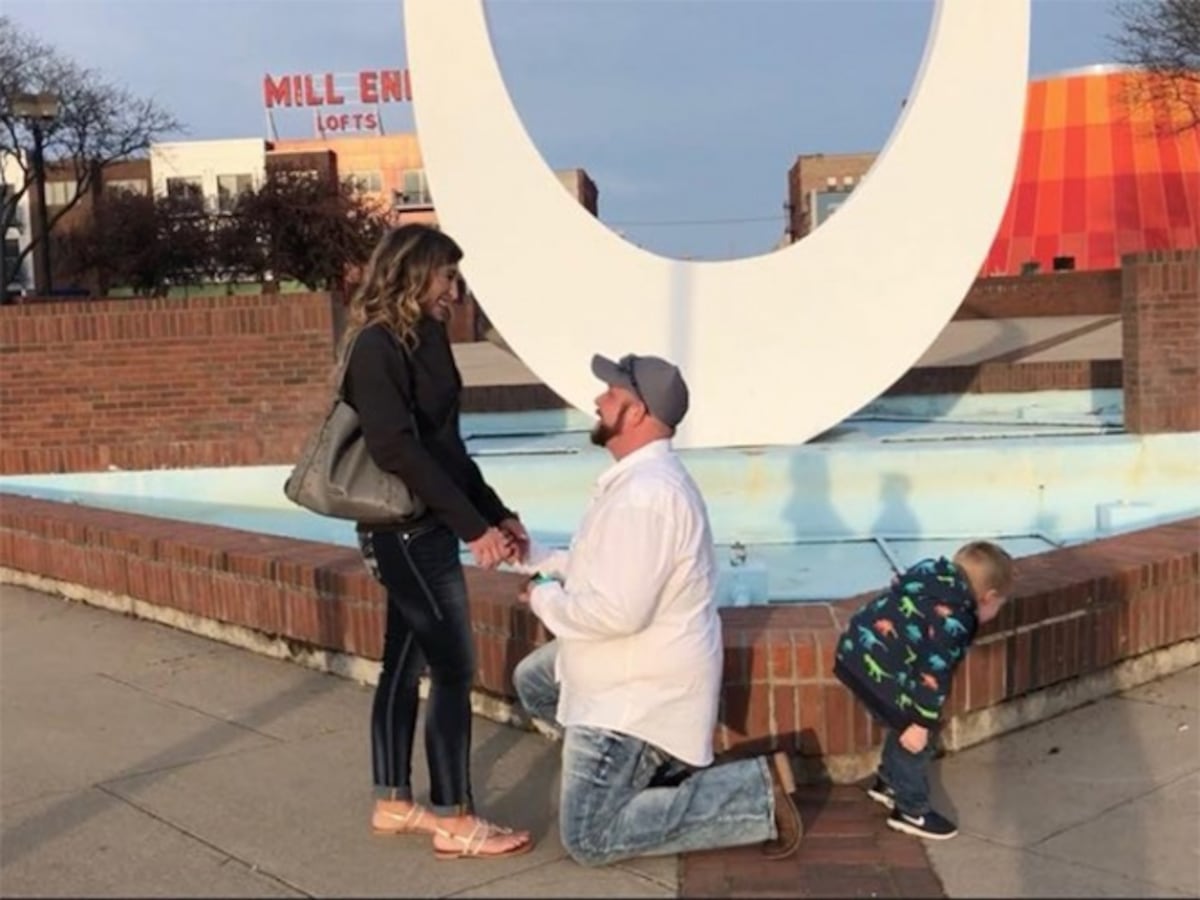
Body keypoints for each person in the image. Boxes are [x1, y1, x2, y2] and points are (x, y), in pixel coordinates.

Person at [510, 352, 803, 867]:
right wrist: (531, 558)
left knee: (589, 837)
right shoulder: (635, 482)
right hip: (617, 668)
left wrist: (541, 596)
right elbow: (593, 564)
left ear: (639, 413)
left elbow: (617, 615)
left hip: (634, 694)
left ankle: (754, 794)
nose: (597, 402)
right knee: (534, 681)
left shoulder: (648, 496)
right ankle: (646, 777)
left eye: (611, 395)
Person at [341, 224, 532, 859]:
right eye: (447, 275)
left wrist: (496, 513)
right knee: (452, 666)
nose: (457, 287)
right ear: (414, 274)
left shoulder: (425, 340)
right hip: (401, 531)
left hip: (424, 526)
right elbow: (396, 448)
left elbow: (447, 448)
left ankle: (394, 802)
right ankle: (455, 818)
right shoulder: (376, 346)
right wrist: (470, 528)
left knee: (404, 661)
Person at [833, 541, 1015, 840]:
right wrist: (920, 723)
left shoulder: (932, 578)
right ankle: (911, 809)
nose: (997, 611)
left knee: (902, 725)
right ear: (988, 597)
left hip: (855, 654)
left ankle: (890, 782)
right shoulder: (953, 619)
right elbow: (933, 674)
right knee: (917, 739)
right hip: (881, 672)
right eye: (999, 606)